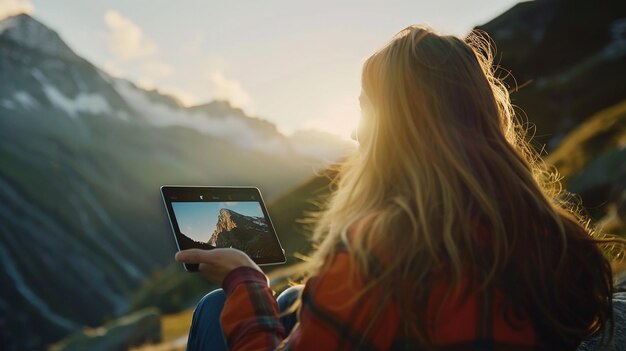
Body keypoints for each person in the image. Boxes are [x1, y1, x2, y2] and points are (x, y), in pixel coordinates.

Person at [175, 25, 626, 350]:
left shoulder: (380, 254)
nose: (355, 135)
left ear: (399, 128)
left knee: (217, 308)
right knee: (293, 297)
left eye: (365, 112)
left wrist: (243, 277)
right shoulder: (557, 239)